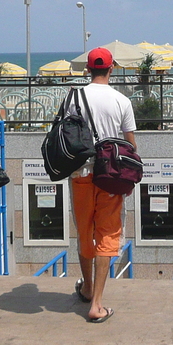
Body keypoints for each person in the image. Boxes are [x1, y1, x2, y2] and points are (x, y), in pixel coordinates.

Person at [71, 47, 136, 324]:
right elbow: (131, 145)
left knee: (85, 231)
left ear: (88, 70)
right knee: (107, 235)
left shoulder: (74, 97)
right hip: (110, 175)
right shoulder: (121, 101)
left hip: (80, 173)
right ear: (111, 69)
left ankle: (86, 287)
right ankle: (96, 304)